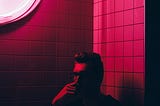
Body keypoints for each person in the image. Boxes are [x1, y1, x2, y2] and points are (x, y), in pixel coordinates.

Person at [52, 52, 122, 106]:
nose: (77, 80)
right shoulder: (72, 103)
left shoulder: (111, 104)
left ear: (98, 77)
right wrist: (56, 102)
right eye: (76, 74)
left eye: (84, 75)